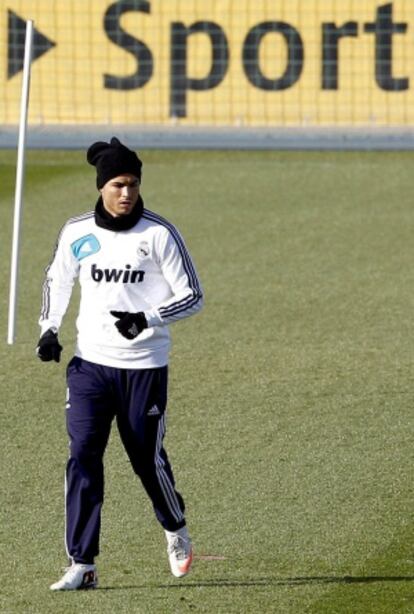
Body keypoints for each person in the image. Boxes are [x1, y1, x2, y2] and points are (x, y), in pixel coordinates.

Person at [36, 137, 203, 590]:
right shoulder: (76, 233)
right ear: (101, 187)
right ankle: (82, 563)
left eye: (132, 184)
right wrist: (48, 328)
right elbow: (58, 278)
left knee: (146, 460)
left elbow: (193, 296)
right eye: (117, 184)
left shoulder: (159, 233)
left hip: (144, 367)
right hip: (90, 366)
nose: (126, 193)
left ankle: (175, 528)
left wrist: (146, 318)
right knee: (83, 455)